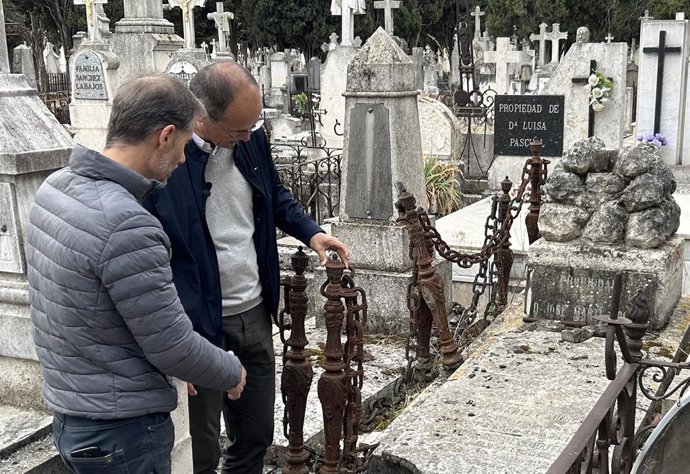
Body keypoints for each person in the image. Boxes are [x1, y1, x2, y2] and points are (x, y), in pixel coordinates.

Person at [27, 74, 247, 474]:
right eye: (182, 146)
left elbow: (88, 312)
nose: (183, 160)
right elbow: (171, 344)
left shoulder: (54, 189)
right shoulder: (127, 224)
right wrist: (230, 370)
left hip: (73, 414)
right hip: (122, 432)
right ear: (164, 136)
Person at [143, 61, 350, 474]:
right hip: (200, 326)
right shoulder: (166, 163)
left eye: (252, 127)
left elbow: (272, 192)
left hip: (254, 312)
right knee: (201, 450)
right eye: (237, 130)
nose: (246, 137)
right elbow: (152, 259)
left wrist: (311, 232)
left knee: (255, 437)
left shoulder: (251, 139)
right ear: (201, 116)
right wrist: (172, 348)